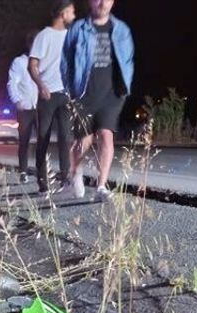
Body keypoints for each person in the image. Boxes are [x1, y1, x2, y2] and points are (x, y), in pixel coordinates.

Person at [63, 0, 135, 202]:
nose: (102, 3)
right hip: (84, 93)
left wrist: (125, 88)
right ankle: (75, 171)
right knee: (83, 141)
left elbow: (128, 59)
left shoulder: (121, 29)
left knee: (106, 135)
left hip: (111, 94)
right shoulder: (78, 29)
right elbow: (66, 61)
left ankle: (101, 186)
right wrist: (70, 90)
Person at [28, 0, 76, 195]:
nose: (74, 16)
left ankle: (65, 178)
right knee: (43, 137)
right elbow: (32, 65)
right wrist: (41, 85)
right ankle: (43, 182)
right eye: (71, 12)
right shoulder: (44, 36)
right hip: (47, 95)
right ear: (63, 14)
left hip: (65, 94)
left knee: (66, 137)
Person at [8, 31, 40, 183]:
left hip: (40, 108)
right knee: (24, 141)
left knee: (43, 141)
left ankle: (42, 171)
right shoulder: (19, 62)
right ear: (29, 45)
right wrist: (17, 100)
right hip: (25, 108)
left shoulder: (43, 62)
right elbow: (12, 83)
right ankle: (23, 171)